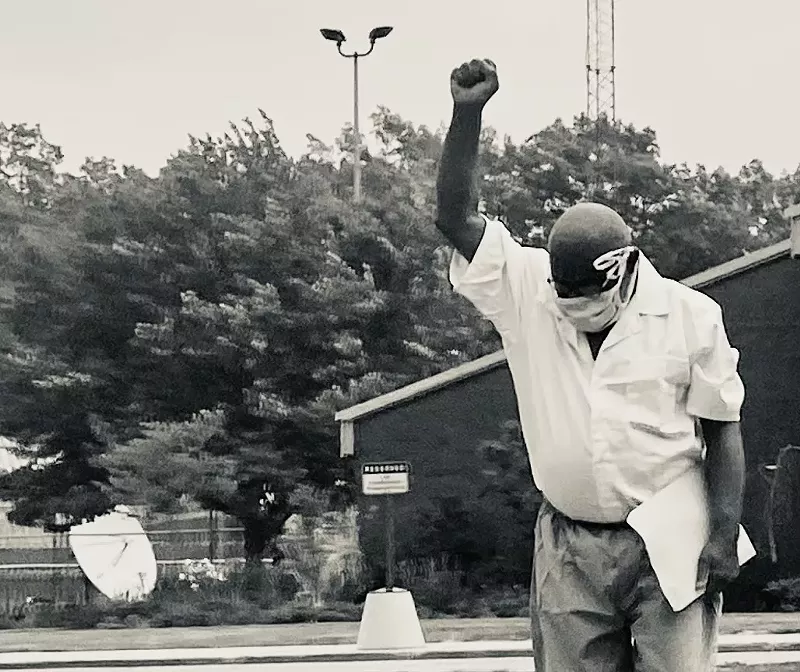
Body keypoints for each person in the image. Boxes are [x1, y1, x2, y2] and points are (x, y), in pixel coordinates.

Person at [436, 58, 746, 672]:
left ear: (627, 268)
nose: (574, 309)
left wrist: (723, 535)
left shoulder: (691, 316)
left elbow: (722, 427)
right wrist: (467, 114)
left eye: (589, 298)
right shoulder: (527, 291)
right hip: (570, 543)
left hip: (668, 534)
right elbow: (455, 219)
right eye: (565, 295)